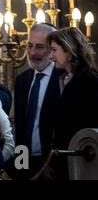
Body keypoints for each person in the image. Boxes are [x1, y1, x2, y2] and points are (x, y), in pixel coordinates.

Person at [14, 23, 63, 179]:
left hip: (53, 163)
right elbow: (20, 126)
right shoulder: (22, 80)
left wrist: (51, 163)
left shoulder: (63, 77)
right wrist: (20, 163)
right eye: (29, 46)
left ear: (52, 49)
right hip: (24, 160)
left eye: (40, 47)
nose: (32, 53)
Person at [48, 27, 98, 179]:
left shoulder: (90, 81)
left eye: (54, 50)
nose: (51, 56)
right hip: (67, 159)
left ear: (69, 51)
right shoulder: (66, 80)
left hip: (83, 161)